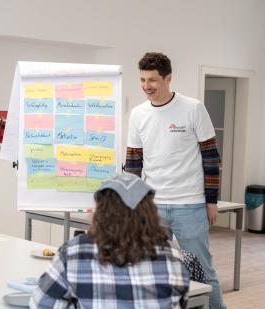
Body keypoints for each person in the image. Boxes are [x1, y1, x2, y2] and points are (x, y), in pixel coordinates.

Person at [126, 52, 225, 308]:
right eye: (143, 80)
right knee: (156, 270)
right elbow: (134, 162)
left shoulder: (193, 108)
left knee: (203, 271)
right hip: (153, 206)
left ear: (168, 78)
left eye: (153, 80)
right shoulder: (138, 114)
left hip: (190, 205)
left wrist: (211, 201)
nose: (146, 86)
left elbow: (211, 158)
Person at [31, 173, 189, 308]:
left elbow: (40, 304)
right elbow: (181, 302)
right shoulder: (172, 255)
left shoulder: (74, 252)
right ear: (150, 212)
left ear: (100, 211)